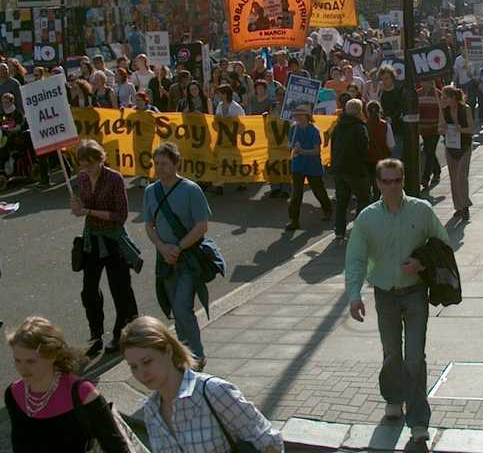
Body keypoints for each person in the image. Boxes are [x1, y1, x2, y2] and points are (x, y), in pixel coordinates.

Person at [344, 158, 450, 445]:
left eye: (397, 180)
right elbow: (355, 258)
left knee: (414, 357)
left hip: (415, 292)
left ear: (404, 180)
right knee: (392, 352)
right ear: (378, 183)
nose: (392, 187)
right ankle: (393, 399)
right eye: (386, 181)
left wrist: (421, 263)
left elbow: (443, 243)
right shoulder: (367, 218)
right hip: (385, 294)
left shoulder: (421, 210)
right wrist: (354, 295)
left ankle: (418, 422)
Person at [120, 316, 283, 453]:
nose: (141, 373)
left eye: (147, 362)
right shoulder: (151, 411)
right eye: (133, 367)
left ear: (168, 351)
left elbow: (269, 442)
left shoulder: (215, 391)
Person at [6, 316, 130, 452]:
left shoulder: (83, 393)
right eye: (17, 360)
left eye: (31, 361)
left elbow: (116, 448)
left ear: (52, 356)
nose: (22, 369)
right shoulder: (14, 393)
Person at [143, 142, 212, 369]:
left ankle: (197, 357)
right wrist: (162, 247)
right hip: (165, 259)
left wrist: (179, 247)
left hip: (188, 258)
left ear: (175, 164)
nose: (159, 168)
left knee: (182, 307)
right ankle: (185, 353)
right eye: (156, 164)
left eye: (164, 163)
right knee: (176, 308)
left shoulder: (191, 189)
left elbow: (201, 226)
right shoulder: (150, 191)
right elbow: (149, 225)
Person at [70, 140, 141, 356]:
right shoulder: (82, 178)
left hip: (113, 240)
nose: (87, 169)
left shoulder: (114, 178)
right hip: (92, 239)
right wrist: (78, 207)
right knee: (89, 290)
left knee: (119, 289)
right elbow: (82, 207)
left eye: (91, 164)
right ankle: (96, 334)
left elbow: (121, 216)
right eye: (83, 164)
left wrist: (89, 211)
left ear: (100, 159)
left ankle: (121, 332)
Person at [330, 99, 371, 242]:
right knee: (364, 199)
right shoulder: (360, 127)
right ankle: (358, 229)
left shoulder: (338, 126)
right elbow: (364, 149)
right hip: (355, 169)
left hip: (338, 168)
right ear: (360, 111)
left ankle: (339, 230)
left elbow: (333, 146)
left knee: (342, 201)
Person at [286, 105, 332, 231]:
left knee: (318, 190)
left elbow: (316, 151)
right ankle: (294, 220)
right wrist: (292, 149)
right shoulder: (293, 129)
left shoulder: (314, 131)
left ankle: (327, 210)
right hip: (298, 165)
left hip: (312, 165)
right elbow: (290, 146)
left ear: (307, 116)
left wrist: (302, 151)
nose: (297, 117)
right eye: (296, 114)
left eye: (300, 114)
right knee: (296, 193)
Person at [438, 85, 474, 219]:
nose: (443, 99)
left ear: (453, 97)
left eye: (445, 97)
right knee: (453, 178)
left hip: (464, 146)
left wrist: (461, 130)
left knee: (461, 177)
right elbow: (439, 129)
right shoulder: (443, 111)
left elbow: (471, 129)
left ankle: (465, 206)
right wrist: (444, 129)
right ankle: (458, 207)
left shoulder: (466, 109)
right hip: (451, 147)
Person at [365, 100, 395, 201]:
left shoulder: (364, 125)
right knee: (378, 185)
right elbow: (391, 145)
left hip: (367, 159)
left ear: (367, 112)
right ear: (380, 111)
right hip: (381, 158)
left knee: (368, 184)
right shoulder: (386, 125)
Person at [417, 78, 441, 189]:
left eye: (424, 80)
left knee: (429, 151)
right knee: (429, 151)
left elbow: (442, 111)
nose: (422, 82)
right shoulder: (418, 94)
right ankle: (437, 170)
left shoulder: (438, 94)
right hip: (424, 129)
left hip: (435, 128)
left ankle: (425, 178)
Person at [378, 66, 405, 159]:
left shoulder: (399, 91)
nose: (384, 81)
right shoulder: (381, 92)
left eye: (386, 78)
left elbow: (401, 108)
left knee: (395, 156)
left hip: (397, 129)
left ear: (392, 78)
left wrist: (392, 118)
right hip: (384, 129)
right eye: (382, 79)